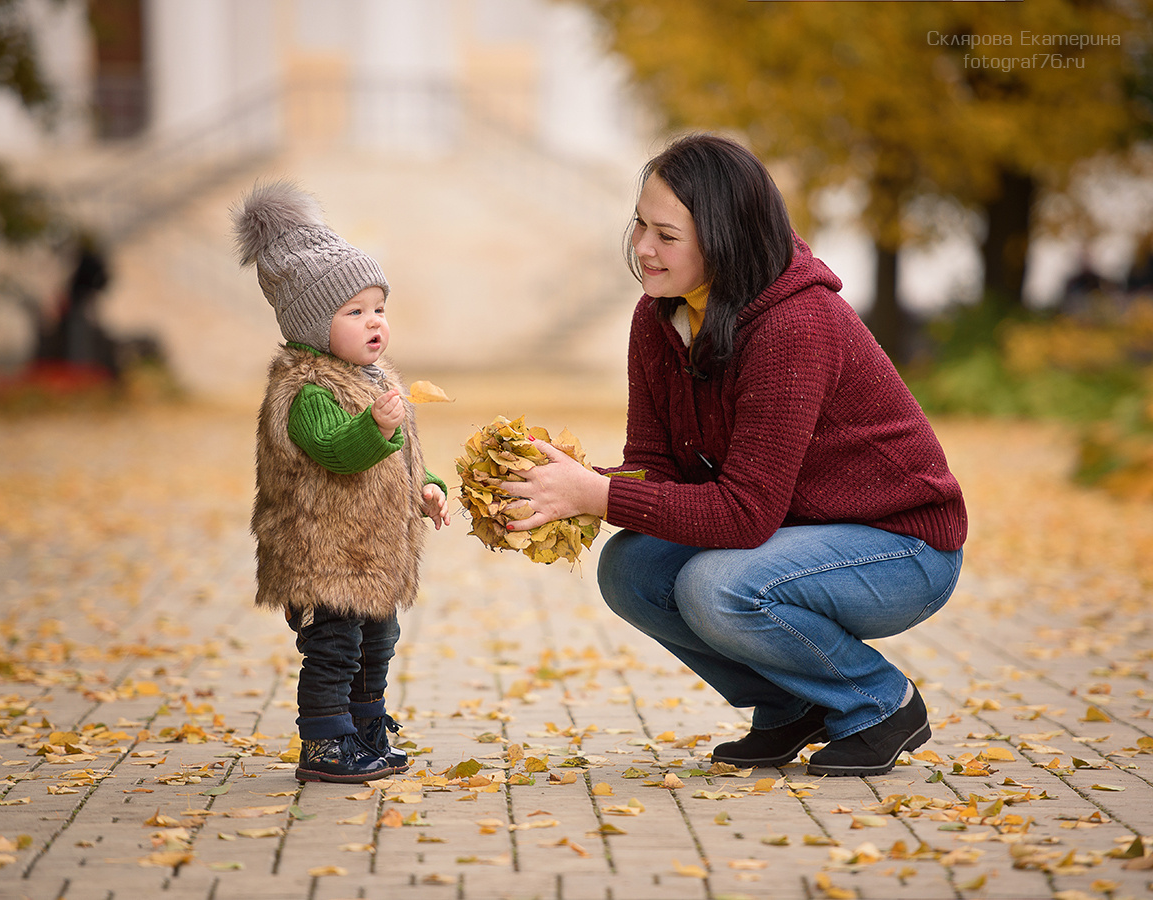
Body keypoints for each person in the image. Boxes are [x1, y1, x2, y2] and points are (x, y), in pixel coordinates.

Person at [504, 134, 967, 777]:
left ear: (723, 239)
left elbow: (744, 516)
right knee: (630, 568)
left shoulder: (794, 325)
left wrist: (594, 493)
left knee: (716, 586)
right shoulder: (657, 318)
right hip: (799, 533)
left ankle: (879, 702)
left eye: (666, 236)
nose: (642, 248)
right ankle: (788, 706)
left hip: (902, 547)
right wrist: (560, 483)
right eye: (640, 224)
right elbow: (656, 468)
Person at [233, 180, 451, 784]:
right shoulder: (307, 389)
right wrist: (374, 427)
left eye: (378, 308)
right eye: (353, 312)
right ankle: (326, 743)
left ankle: (366, 726)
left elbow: (396, 457)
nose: (373, 322)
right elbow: (337, 451)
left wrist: (426, 484)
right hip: (322, 552)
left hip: (372, 552)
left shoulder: (371, 376)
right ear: (311, 324)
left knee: (377, 641)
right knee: (334, 649)